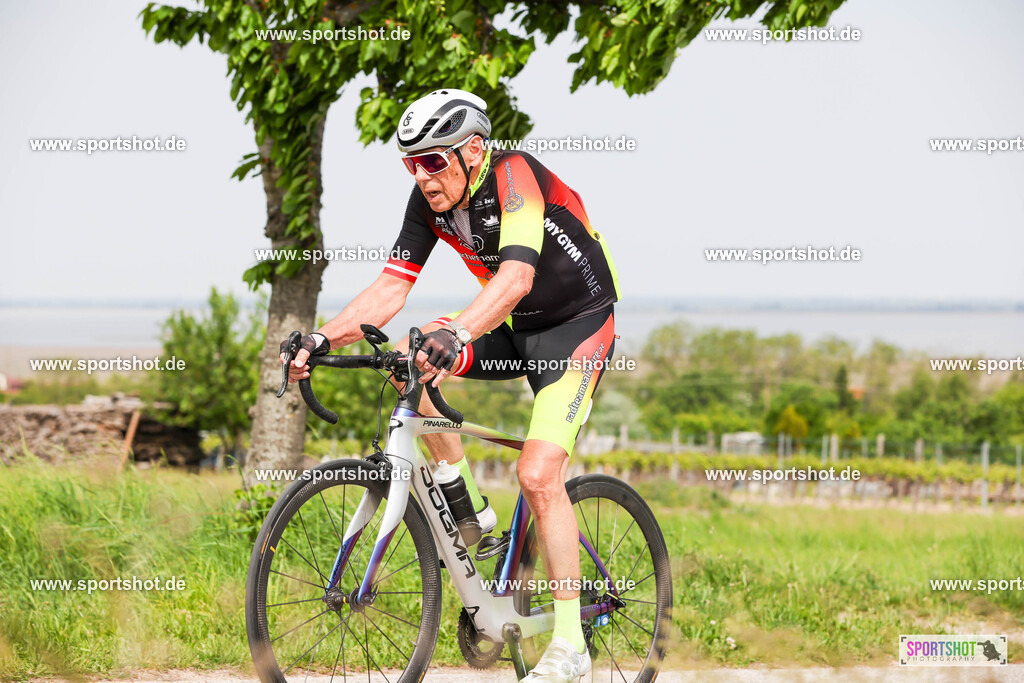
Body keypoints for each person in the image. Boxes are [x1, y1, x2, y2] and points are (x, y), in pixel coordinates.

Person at [282, 88, 621, 682]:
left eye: (433, 160)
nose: (422, 174)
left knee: (539, 475)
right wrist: (323, 339)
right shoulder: (428, 201)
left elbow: (516, 276)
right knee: (408, 359)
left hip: (577, 328)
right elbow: (391, 288)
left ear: (473, 149)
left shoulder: (514, 175)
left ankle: (571, 646)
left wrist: (460, 331)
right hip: (511, 327)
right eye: (410, 162)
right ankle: (467, 505)